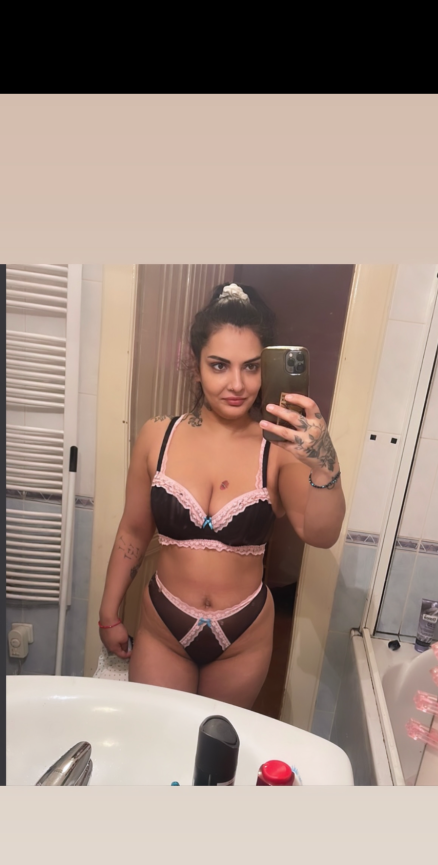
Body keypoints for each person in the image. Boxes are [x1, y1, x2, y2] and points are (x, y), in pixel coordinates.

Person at [97, 283, 346, 708]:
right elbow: (134, 531)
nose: (237, 384)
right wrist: (109, 613)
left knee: (216, 746)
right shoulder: (157, 435)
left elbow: (320, 535)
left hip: (242, 635)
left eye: (251, 367)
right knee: (157, 737)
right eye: (219, 366)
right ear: (195, 367)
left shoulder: (278, 449)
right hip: (163, 628)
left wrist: (325, 466)